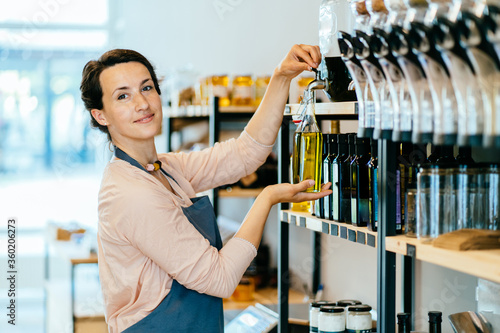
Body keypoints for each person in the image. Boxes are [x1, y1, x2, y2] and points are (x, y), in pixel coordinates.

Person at [80, 44, 331, 333]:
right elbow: (220, 278)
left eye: (147, 88)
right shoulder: (130, 193)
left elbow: (245, 153)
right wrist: (267, 197)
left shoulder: (165, 169)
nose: (142, 103)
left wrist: (281, 77)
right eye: (123, 96)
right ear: (101, 116)